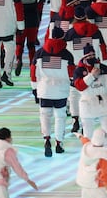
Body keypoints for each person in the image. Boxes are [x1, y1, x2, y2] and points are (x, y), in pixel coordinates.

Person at [31, 26, 75, 156]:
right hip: (61, 91)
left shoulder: (39, 53)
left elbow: (34, 73)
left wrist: (34, 89)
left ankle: (46, 139)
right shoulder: (67, 55)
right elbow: (71, 74)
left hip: (44, 90)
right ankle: (59, 143)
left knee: (45, 117)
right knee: (60, 117)